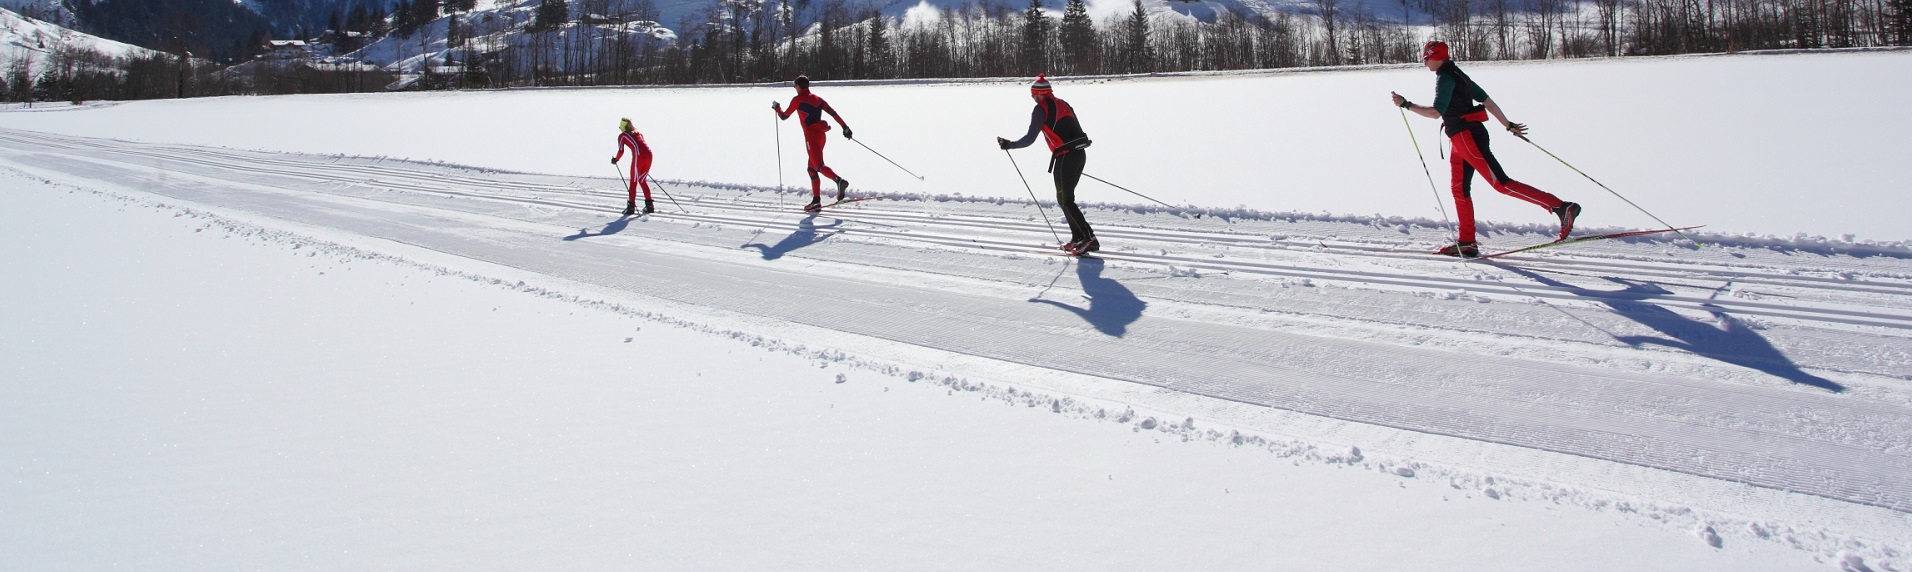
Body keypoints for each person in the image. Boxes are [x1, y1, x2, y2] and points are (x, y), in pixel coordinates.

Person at [1392, 40, 1580, 258]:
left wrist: (1406, 104)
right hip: (1460, 140)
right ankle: (1467, 242)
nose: (1425, 62)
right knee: (1459, 189)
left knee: (1501, 184)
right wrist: (1507, 124)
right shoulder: (1459, 74)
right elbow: (1488, 102)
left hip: (1467, 138)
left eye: (1426, 58)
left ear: (1438, 57)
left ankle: (1560, 207)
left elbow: (1435, 113)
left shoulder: (1446, 77)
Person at [998, 74, 1097, 255]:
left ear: (1039, 94)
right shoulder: (1063, 103)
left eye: (1033, 95)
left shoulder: (1040, 109)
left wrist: (1010, 145)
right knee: (1064, 199)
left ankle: (1088, 239)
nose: (1032, 98)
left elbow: (1029, 139)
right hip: (1078, 154)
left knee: (1065, 199)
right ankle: (1080, 237)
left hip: (1065, 156)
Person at [772, 75, 852, 212]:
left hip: (811, 137)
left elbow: (784, 116)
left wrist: (777, 108)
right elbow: (833, 113)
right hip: (821, 136)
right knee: (811, 169)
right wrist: (845, 127)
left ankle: (839, 181)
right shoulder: (818, 99)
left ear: (798, 86)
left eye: (795, 86)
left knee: (818, 165)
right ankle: (816, 201)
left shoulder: (797, 100)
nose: (795, 89)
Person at [611, 117, 654, 215]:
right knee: (642, 180)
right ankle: (649, 206)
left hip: (638, 156)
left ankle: (631, 207)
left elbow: (621, 150)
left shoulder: (622, 136)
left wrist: (616, 159)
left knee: (633, 181)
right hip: (649, 155)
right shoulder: (639, 133)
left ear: (622, 127)